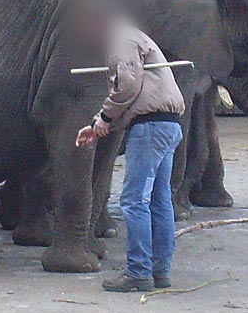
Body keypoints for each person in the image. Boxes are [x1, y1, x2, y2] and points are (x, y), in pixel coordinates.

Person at [76, 19, 185, 292]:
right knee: (160, 202)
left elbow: (126, 85)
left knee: (134, 200)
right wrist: (96, 125)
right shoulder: (137, 37)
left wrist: (103, 116)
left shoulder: (121, 39)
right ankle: (159, 272)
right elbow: (136, 89)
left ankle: (138, 272)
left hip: (149, 127)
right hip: (168, 125)